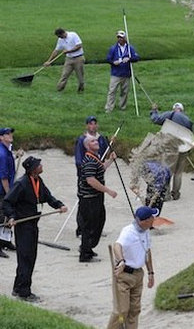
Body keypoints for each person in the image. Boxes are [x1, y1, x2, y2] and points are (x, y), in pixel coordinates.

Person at [3, 156, 68, 302]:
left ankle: (17, 287)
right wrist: (12, 217)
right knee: (26, 257)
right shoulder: (21, 184)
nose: (41, 165)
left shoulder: (38, 181)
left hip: (33, 224)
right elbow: (7, 202)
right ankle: (24, 292)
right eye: (39, 164)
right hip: (23, 225)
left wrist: (59, 205)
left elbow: (47, 197)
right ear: (33, 169)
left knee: (28, 257)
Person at [108, 206, 158, 329]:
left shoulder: (146, 231)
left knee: (135, 310)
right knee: (122, 311)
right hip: (124, 275)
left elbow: (147, 252)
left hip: (138, 275)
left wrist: (151, 272)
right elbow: (117, 245)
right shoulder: (128, 232)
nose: (154, 219)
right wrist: (121, 261)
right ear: (144, 221)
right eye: (152, 217)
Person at [78, 136, 118, 262]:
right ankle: (85, 253)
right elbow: (91, 180)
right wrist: (108, 191)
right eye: (93, 141)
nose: (96, 142)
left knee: (98, 222)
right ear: (87, 146)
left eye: (96, 140)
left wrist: (110, 160)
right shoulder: (90, 160)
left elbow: (101, 168)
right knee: (90, 226)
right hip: (90, 199)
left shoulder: (94, 158)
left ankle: (87, 248)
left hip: (95, 198)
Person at [74, 116, 110, 238]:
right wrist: (88, 169)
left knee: (98, 203)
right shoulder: (82, 140)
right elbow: (79, 160)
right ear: (87, 126)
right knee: (84, 204)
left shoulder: (101, 139)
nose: (93, 126)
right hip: (86, 176)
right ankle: (81, 229)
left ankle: (95, 229)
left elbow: (104, 154)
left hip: (98, 175)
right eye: (90, 124)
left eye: (95, 123)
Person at [150, 102, 193, 201]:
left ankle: (166, 195)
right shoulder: (188, 120)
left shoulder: (171, 114)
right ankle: (176, 194)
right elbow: (191, 137)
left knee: (167, 171)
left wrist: (154, 110)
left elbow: (155, 119)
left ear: (174, 109)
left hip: (171, 146)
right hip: (183, 147)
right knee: (178, 173)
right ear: (182, 110)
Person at [105, 30, 140, 113]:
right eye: (118, 37)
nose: (119, 39)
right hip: (116, 74)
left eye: (121, 37)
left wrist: (129, 59)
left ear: (125, 38)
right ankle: (109, 107)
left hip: (126, 73)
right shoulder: (113, 48)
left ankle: (122, 106)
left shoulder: (130, 48)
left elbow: (136, 58)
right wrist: (113, 62)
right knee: (112, 91)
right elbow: (108, 59)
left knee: (124, 91)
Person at [0, 127, 23, 256]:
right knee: (2, 215)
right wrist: (9, 193)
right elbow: (3, 176)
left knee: (8, 215)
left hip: (6, 188)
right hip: (2, 190)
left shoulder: (7, 150)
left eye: (10, 133)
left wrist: (16, 156)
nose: (10, 135)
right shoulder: (2, 153)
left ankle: (6, 241)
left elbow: (8, 163)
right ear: (1, 137)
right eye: (7, 134)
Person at [43, 28, 85, 93]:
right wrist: (49, 61)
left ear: (63, 33)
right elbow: (56, 51)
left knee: (80, 76)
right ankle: (59, 89)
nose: (60, 38)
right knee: (64, 74)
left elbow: (79, 46)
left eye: (60, 36)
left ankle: (81, 89)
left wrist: (69, 51)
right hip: (69, 59)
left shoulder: (73, 35)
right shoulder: (60, 40)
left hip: (78, 58)